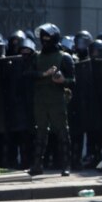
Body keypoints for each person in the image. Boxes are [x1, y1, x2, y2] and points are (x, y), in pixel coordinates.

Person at [28, 23, 75, 176]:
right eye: (43, 38)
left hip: (56, 99)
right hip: (40, 99)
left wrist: (63, 81)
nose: (44, 40)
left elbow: (73, 80)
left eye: (47, 37)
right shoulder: (36, 56)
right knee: (40, 132)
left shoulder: (64, 57)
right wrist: (44, 74)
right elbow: (27, 74)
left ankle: (66, 165)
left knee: (62, 133)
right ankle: (37, 165)